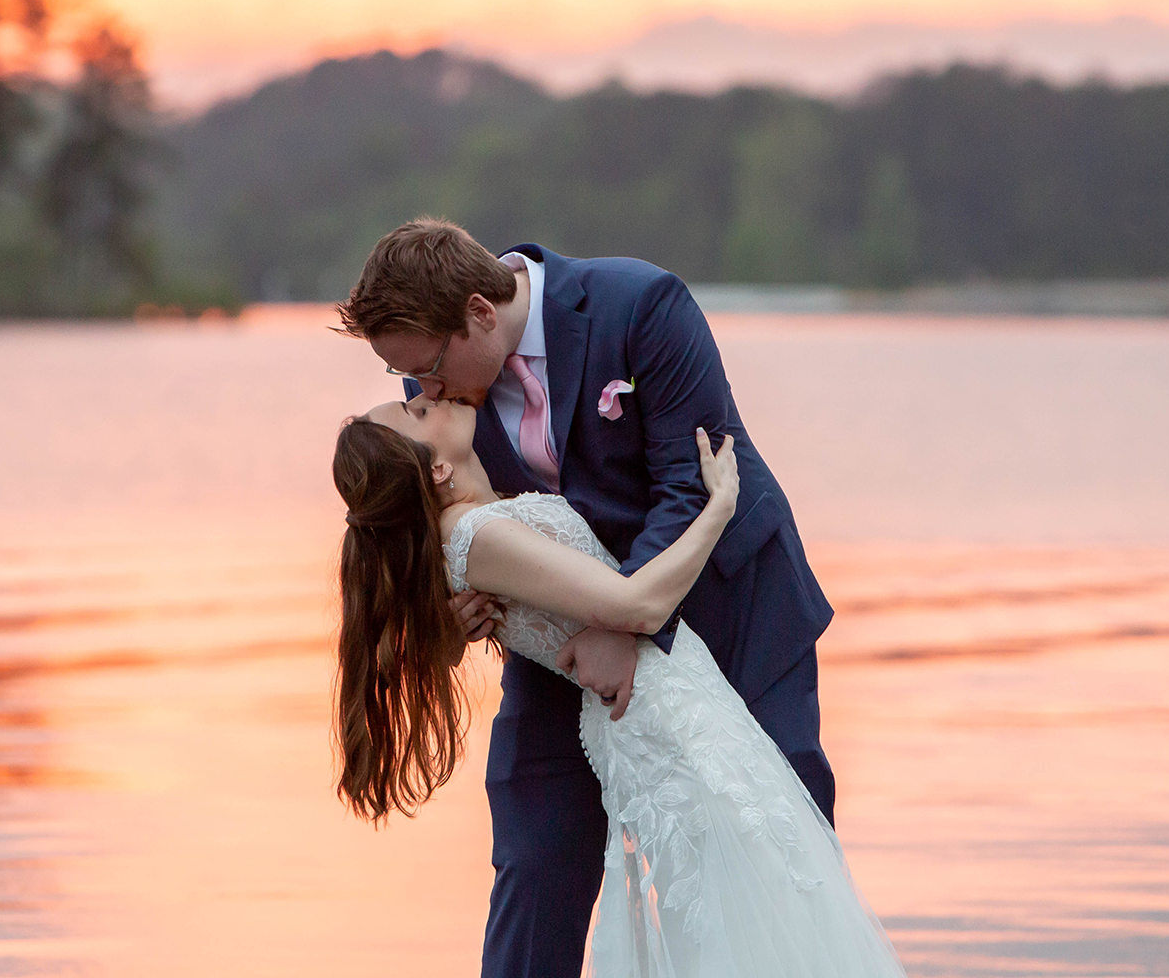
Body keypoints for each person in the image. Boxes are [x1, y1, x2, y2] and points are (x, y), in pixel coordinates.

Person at [335, 218, 846, 976]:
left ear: (481, 311)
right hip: (565, 654)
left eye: (432, 371)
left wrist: (623, 626)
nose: (425, 391)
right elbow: (444, 535)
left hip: (733, 611)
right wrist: (449, 621)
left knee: (778, 848)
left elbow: (685, 482)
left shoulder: (640, 305)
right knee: (535, 857)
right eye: (407, 382)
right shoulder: (441, 400)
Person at [332, 399, 905, 976]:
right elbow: (641, 606)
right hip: (659, 717)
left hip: (674, 701)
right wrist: (719, 507)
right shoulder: (473, 535)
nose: (428, 394)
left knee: (761, 895)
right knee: (751, 901)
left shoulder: (479, 524)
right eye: (416, 411)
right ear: (434, 471)